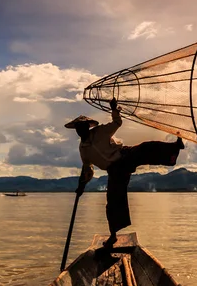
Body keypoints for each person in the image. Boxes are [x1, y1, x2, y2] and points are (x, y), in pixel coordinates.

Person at [65, 98, 184, 248]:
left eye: (82, 127)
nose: (80, 130)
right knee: (113, 203)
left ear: (87, 127)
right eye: (78, 128)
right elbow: (87, 168)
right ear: (76, 130)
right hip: (115, 171)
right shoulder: (83, 149)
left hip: (123, 155)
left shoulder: (100, 131)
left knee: (144, 148)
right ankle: (113, 236)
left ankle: (174, 149)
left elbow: (116, 123)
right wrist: (81, 186)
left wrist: (114, 110)